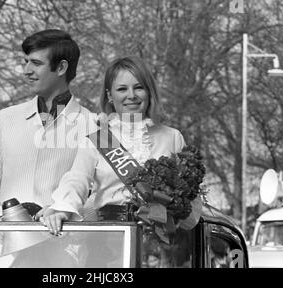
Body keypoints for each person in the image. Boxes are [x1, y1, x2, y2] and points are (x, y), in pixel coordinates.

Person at [0, 29, 95, 267]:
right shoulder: (5, 118)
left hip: (63, 256)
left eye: (36, 63)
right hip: (6, 255)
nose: (26, 70)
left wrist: (62, 212)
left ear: (61, 68)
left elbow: (99, 195)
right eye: (25, 62)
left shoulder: (94, 125)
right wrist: (2, 222)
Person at [42, 55, 202, 236]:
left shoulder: (172, 137)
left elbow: (190, 196)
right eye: (122, 89)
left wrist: (179, 214)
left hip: (159, 240)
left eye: (139, 88)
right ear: (110, 95)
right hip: (110, 238)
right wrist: (63, 208)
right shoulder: (96, 140)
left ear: (149, 92)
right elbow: (77, 179)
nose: (131, 95)